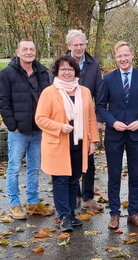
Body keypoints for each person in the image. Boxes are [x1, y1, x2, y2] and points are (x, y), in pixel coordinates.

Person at [97, 41, 138, 229]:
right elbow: (100, 106)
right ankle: (114, 214)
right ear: (115, 58)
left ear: (132, 55)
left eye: (126, 55)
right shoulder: (108, 79)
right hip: (114, 135)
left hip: (136, 133)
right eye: (119, 56)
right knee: (114, 175)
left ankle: (133, 213)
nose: (123, 59)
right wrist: (112, 121)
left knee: (134, 175)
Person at [35, 55, 99, 232]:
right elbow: (40, 118)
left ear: (75, 71)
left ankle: (71, 214)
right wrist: (59, 127)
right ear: (57, 71)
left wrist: (93, 140)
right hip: (58, 144)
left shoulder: (84, 91)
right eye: (63, 69)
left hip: (79, 143)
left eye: (70, 69)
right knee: (61, 180)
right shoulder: (49, 92)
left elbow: (91, 119)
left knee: (73, 181)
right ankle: (63, 216)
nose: (67, 72)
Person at [0, 39, 50, 220]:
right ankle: (14, 204)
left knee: (34, 168)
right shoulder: (7, 74)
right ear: (18, 52)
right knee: (13, 168)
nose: (29, 52)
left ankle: (33, 202)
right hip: (18, 131)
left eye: (32, 49)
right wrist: (12, 125)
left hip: (38, 129)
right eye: (25, 49)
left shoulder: (42, 72)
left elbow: (48, 98)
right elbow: (3, 101)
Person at [64, 29, 103, 211]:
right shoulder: (61, 64)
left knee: (89, 158)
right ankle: (74, 196)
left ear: (85, 45)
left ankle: (87, 197)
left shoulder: (93, 64)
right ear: (69, 46)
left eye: (82, 44)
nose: (79, 48)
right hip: (66, 119)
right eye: (75, 45)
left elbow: (100, 94)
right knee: (70, 158)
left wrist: (99, 119)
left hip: (87, 118)